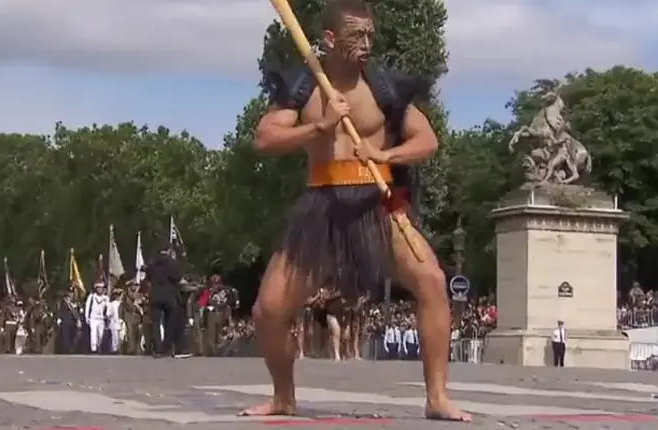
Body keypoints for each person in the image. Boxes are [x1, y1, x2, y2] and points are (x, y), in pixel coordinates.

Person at [240, 0, 469, 421]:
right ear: (329, 39)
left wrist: (384, 150)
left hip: (377, 202)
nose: (366, 44)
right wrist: (318, 128)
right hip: (321, 203)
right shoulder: (306, 86)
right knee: (269, 310)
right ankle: (283, 397)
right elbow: (265, 138)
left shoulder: (381, 86)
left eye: (370, 36)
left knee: (432, 281)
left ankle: (437, 397)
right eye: (356, 37)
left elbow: (428, 141)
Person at [145, 240, 183, 358]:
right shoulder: (172, 263)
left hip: (155, 295)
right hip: (169, 296)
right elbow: (177, 278)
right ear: (168, 250)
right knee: (169, 322)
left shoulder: (152, 264)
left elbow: (148, 278)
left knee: (156, 322)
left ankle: (158, 348)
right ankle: (166, 347)